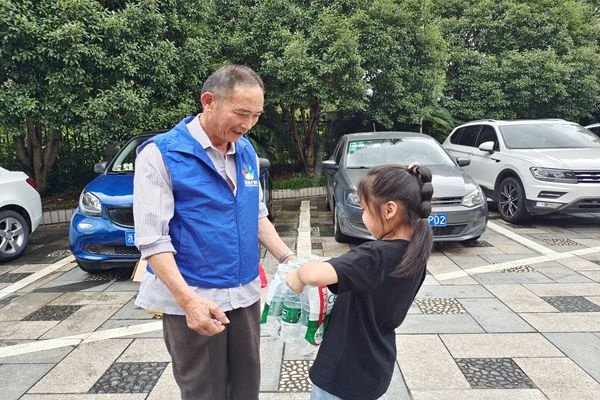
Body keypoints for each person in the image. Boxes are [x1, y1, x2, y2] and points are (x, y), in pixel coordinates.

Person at [133, 64, 297, 400]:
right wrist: (188, 301)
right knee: (204, 392)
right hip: (196, 295)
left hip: (244, 293)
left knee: (246, 388)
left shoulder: (245, 151)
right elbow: (152, 240)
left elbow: (255, 214)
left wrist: (288, 258)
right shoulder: (161, 154)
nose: (248, 124)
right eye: (241, 113)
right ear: (209, 101)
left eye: (256, 115)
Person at [286, 164, 434, 400]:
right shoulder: (415, 256)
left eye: (365, 209)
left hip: (342, 373)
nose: (363, 216)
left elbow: (314, 275)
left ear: (389, 210)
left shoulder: (374, 255)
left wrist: (297, 275)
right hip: (375, 366)